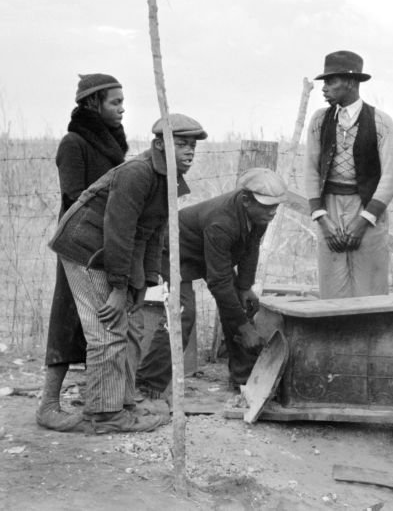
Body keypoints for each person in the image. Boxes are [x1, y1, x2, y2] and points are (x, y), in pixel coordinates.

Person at [48, 113, 206, 434]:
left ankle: (122, 403)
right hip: (85, 247)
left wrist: (143, 282)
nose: (190, 151)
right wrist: (119, 289)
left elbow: (151, 233)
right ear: (160, 144)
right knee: (107, 330)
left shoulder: (166, 179)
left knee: (131, 325)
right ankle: (105, 416)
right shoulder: (138, 173)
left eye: (193, 146)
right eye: (182, 144)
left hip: (111, 251)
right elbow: (118, 231)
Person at [136, 167, 288, 396]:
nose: (272, 212)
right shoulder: (222, 222)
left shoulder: (259, 215)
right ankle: (148, 385)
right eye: (267, 206)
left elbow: (250, 248)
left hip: (207, 252)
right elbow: (219, 282)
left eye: (275, 206)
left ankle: (243, 379)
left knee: (241, 304)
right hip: (174, 251)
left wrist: (245, 286)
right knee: (182, 313)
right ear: (246, 200)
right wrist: (244, 328)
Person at [38, 74, 127, 432]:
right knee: (67, 318)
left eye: (123, 102)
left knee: (96, 322)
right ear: (94, 104)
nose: (122, 109)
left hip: (104, 243)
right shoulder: (73, 143)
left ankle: (97, 399)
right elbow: (76, 196)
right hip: (77, 242)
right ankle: (47, 404)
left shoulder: (111, 142)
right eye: (115, 102)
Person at [304, 50, 393, 298]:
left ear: (350, 82)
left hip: (367, 209)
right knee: (333, 292)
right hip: (330, 209)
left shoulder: (380, 121)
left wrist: (365, 219)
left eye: (330, 82)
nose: (324, 89)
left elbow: (391, 176)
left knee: (370, 291)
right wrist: (322, 218)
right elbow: (311, 170)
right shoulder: (319, 120)